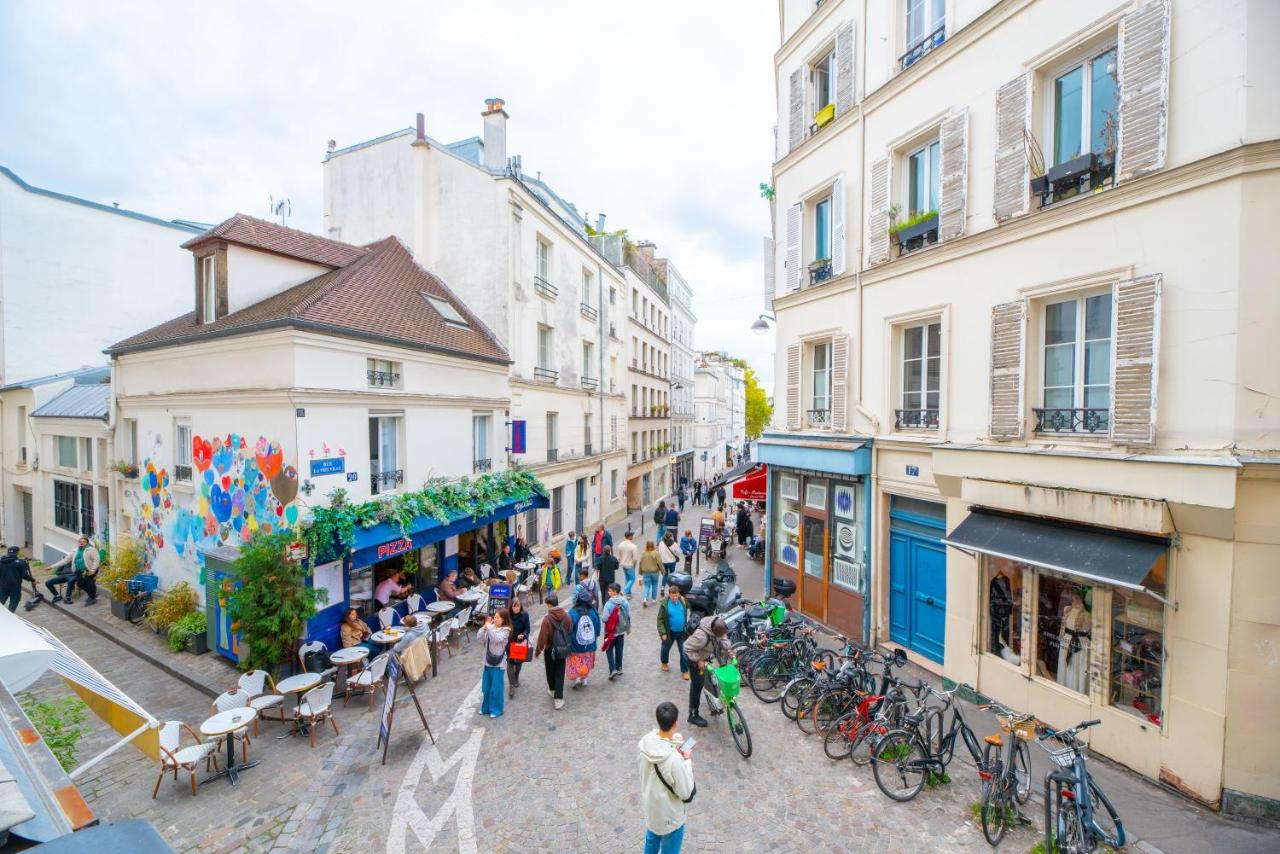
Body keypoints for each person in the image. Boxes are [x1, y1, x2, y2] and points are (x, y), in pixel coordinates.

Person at [638, 701, 695, 854]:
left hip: (652, 809)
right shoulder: (675, 760)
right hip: (670, 815)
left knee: (652, 840)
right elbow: (685, 792)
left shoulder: (645, 743)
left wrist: (674, 742)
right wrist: (687, 760)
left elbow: (661, 743)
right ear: (675, 723)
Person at [682, 614, 733, 727]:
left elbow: (723, 637)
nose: (722, 636)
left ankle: (714, 705)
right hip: (693, 657)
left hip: (705, 654)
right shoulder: (701, 637)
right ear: (714, 632)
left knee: (709, 678)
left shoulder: (717, 622)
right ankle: (693, 715)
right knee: (697, 686)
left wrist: (728, 648)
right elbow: (686, 648)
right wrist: (698, 660)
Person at [535, 594, 573, 710]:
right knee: (560, 673)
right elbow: (570, 629)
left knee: (550, 671)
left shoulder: (547, 619)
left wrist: (538, 651)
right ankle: (559, 699)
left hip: (550, 649)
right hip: (562, 648)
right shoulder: (567, 616)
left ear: (549, 605)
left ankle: (552, 689)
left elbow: (542, 637)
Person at [477, 608, 511, 718]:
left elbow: (496, 639)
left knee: (496, 688)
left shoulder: (506, 630)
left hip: (498, 663)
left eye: (497, 617)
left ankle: (496, 709)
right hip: (487, 661)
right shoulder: (490, 627)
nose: (495, 619)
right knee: (486, 687)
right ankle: (485, 708)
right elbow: (480, 639)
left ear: (503, 619)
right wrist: (484, 628)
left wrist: (489, 628)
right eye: (494, 617)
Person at [46, 537, 98, 604]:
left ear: (87, 543)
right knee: (80, 583)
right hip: (79, 570)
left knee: (89, 582)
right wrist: (51, 567)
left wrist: (93, 569)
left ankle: (92, 597)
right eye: (80, 541)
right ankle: (92, 594)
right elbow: (65, 561)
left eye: (83, 541)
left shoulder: (91, 550)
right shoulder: (74, 551)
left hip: (90, 569)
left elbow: (96, 560)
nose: (81, 542)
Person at [566, 591, 601, 689]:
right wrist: (596, 636)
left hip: (575, 643)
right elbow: (597, 626)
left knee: (576, 659)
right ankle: (584, 678)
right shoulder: (593, 611)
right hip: (589, 643)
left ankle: (577, 678)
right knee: (587, 659)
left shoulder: (572, 612)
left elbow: (568, 628)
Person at [657, 586, 690, 680]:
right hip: (669, 632)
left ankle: (685, 670)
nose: (675, 598)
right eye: (672, 596)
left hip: (682, 633)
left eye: (676, 596)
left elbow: (691, 605)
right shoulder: (665, 604)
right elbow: (660, 619)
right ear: (669, 595)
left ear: (679, 594)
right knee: (665, 649)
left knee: (684, 651)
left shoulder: (683, 601)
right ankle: (664, 662)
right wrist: (662, 633)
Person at [602, 582, 632, 679]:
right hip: (621, 630)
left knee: (609, 649)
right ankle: (619, 668)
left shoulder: (608, 604)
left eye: (610, 591)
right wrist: (628, 627)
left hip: (610, 632)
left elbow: (604, 619)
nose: (608, 592)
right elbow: (628, 616)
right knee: (619, 649)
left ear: (615, 592)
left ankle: (612, 669)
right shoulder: (625, 602)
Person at [507, 597, 531, 697]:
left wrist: (524, 635)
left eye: (518, 606)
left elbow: (527, 628)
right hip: (509, 642)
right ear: (511, 607)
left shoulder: (524, 615)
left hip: (520, 642)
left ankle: (516, 676)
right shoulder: (507, 616)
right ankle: (511, 684)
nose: (516, 608)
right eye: (514, 606)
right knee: (510, 662)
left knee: (518, 662)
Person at [0, 546, 33, 613]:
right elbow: (24, 575)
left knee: (1, 601)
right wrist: (33, 580)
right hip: (15, 586)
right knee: (14, 601)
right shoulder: (21, 562)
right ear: (17, 552)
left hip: (2, 585)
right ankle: (10, 615)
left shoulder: (1, 562)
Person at [638, 541, 663, 607]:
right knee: (655, 585)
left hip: (645, 572)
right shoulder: (656, 553)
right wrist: (663, 571)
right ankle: (654, 599)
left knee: (646, 586)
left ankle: (645, 599)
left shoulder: (643, 553)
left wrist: (640, 571)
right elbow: (660, 562)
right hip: (655, 572)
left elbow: (640, 563)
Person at [617, 531, 639, 599]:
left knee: (627, 578)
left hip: (623, 564)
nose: (632, 536)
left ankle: (628, 594)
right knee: (632, 579)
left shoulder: (620, 545)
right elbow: (635, 558)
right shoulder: (633, 546)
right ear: (629, 537)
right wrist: (634, 564)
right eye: (632, 535)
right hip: (630, 565)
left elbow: (619, 556)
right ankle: (625, 591)